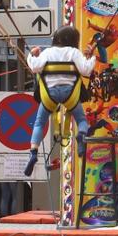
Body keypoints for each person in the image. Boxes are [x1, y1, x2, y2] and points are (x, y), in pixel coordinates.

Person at [25, 26, 95, 177]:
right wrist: (91, 57)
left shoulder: (48, 53)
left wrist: (31, 55)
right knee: (82, 120)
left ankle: (33, 152)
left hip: (49, 95)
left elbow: (34, 67)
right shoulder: (74, 53)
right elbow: (86, 71)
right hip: (70, 95)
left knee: (38, 123)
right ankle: (81, 135)